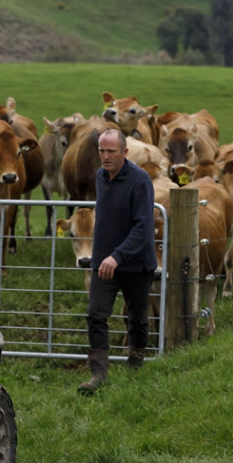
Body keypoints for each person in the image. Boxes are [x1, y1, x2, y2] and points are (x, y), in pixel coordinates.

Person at [80, 128, 157, 395]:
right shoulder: (101, 177)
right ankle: (98, 373)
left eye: (111, 151)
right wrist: (103, 257)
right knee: (96, 314)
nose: (106, 156)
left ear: (124, 151)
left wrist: (118, 255)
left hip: (136, 263)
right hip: (104, 262)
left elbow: (143, 227)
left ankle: (135, 366)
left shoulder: (140, 180)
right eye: (102, 150)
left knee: (136, 318)